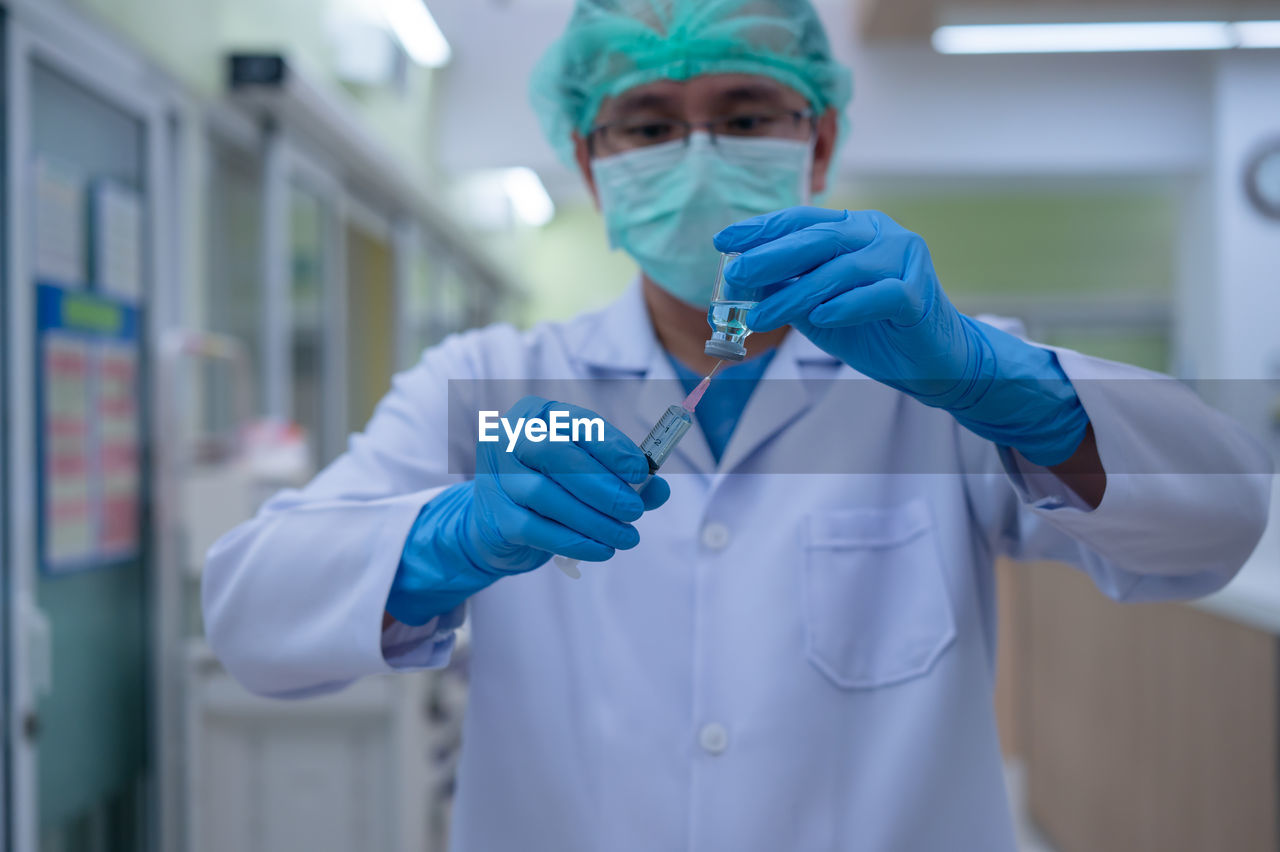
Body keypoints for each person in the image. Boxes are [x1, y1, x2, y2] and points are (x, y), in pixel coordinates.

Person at [203, 1, 1272, 850]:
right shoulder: (491, 379)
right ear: (589, 162)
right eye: (649, 124)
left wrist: (1006, 385)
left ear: (819, 141)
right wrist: (447, 539)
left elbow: (1219, 520)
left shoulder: (942, 379)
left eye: (747, 113)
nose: (699, 152)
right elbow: (250, 614)